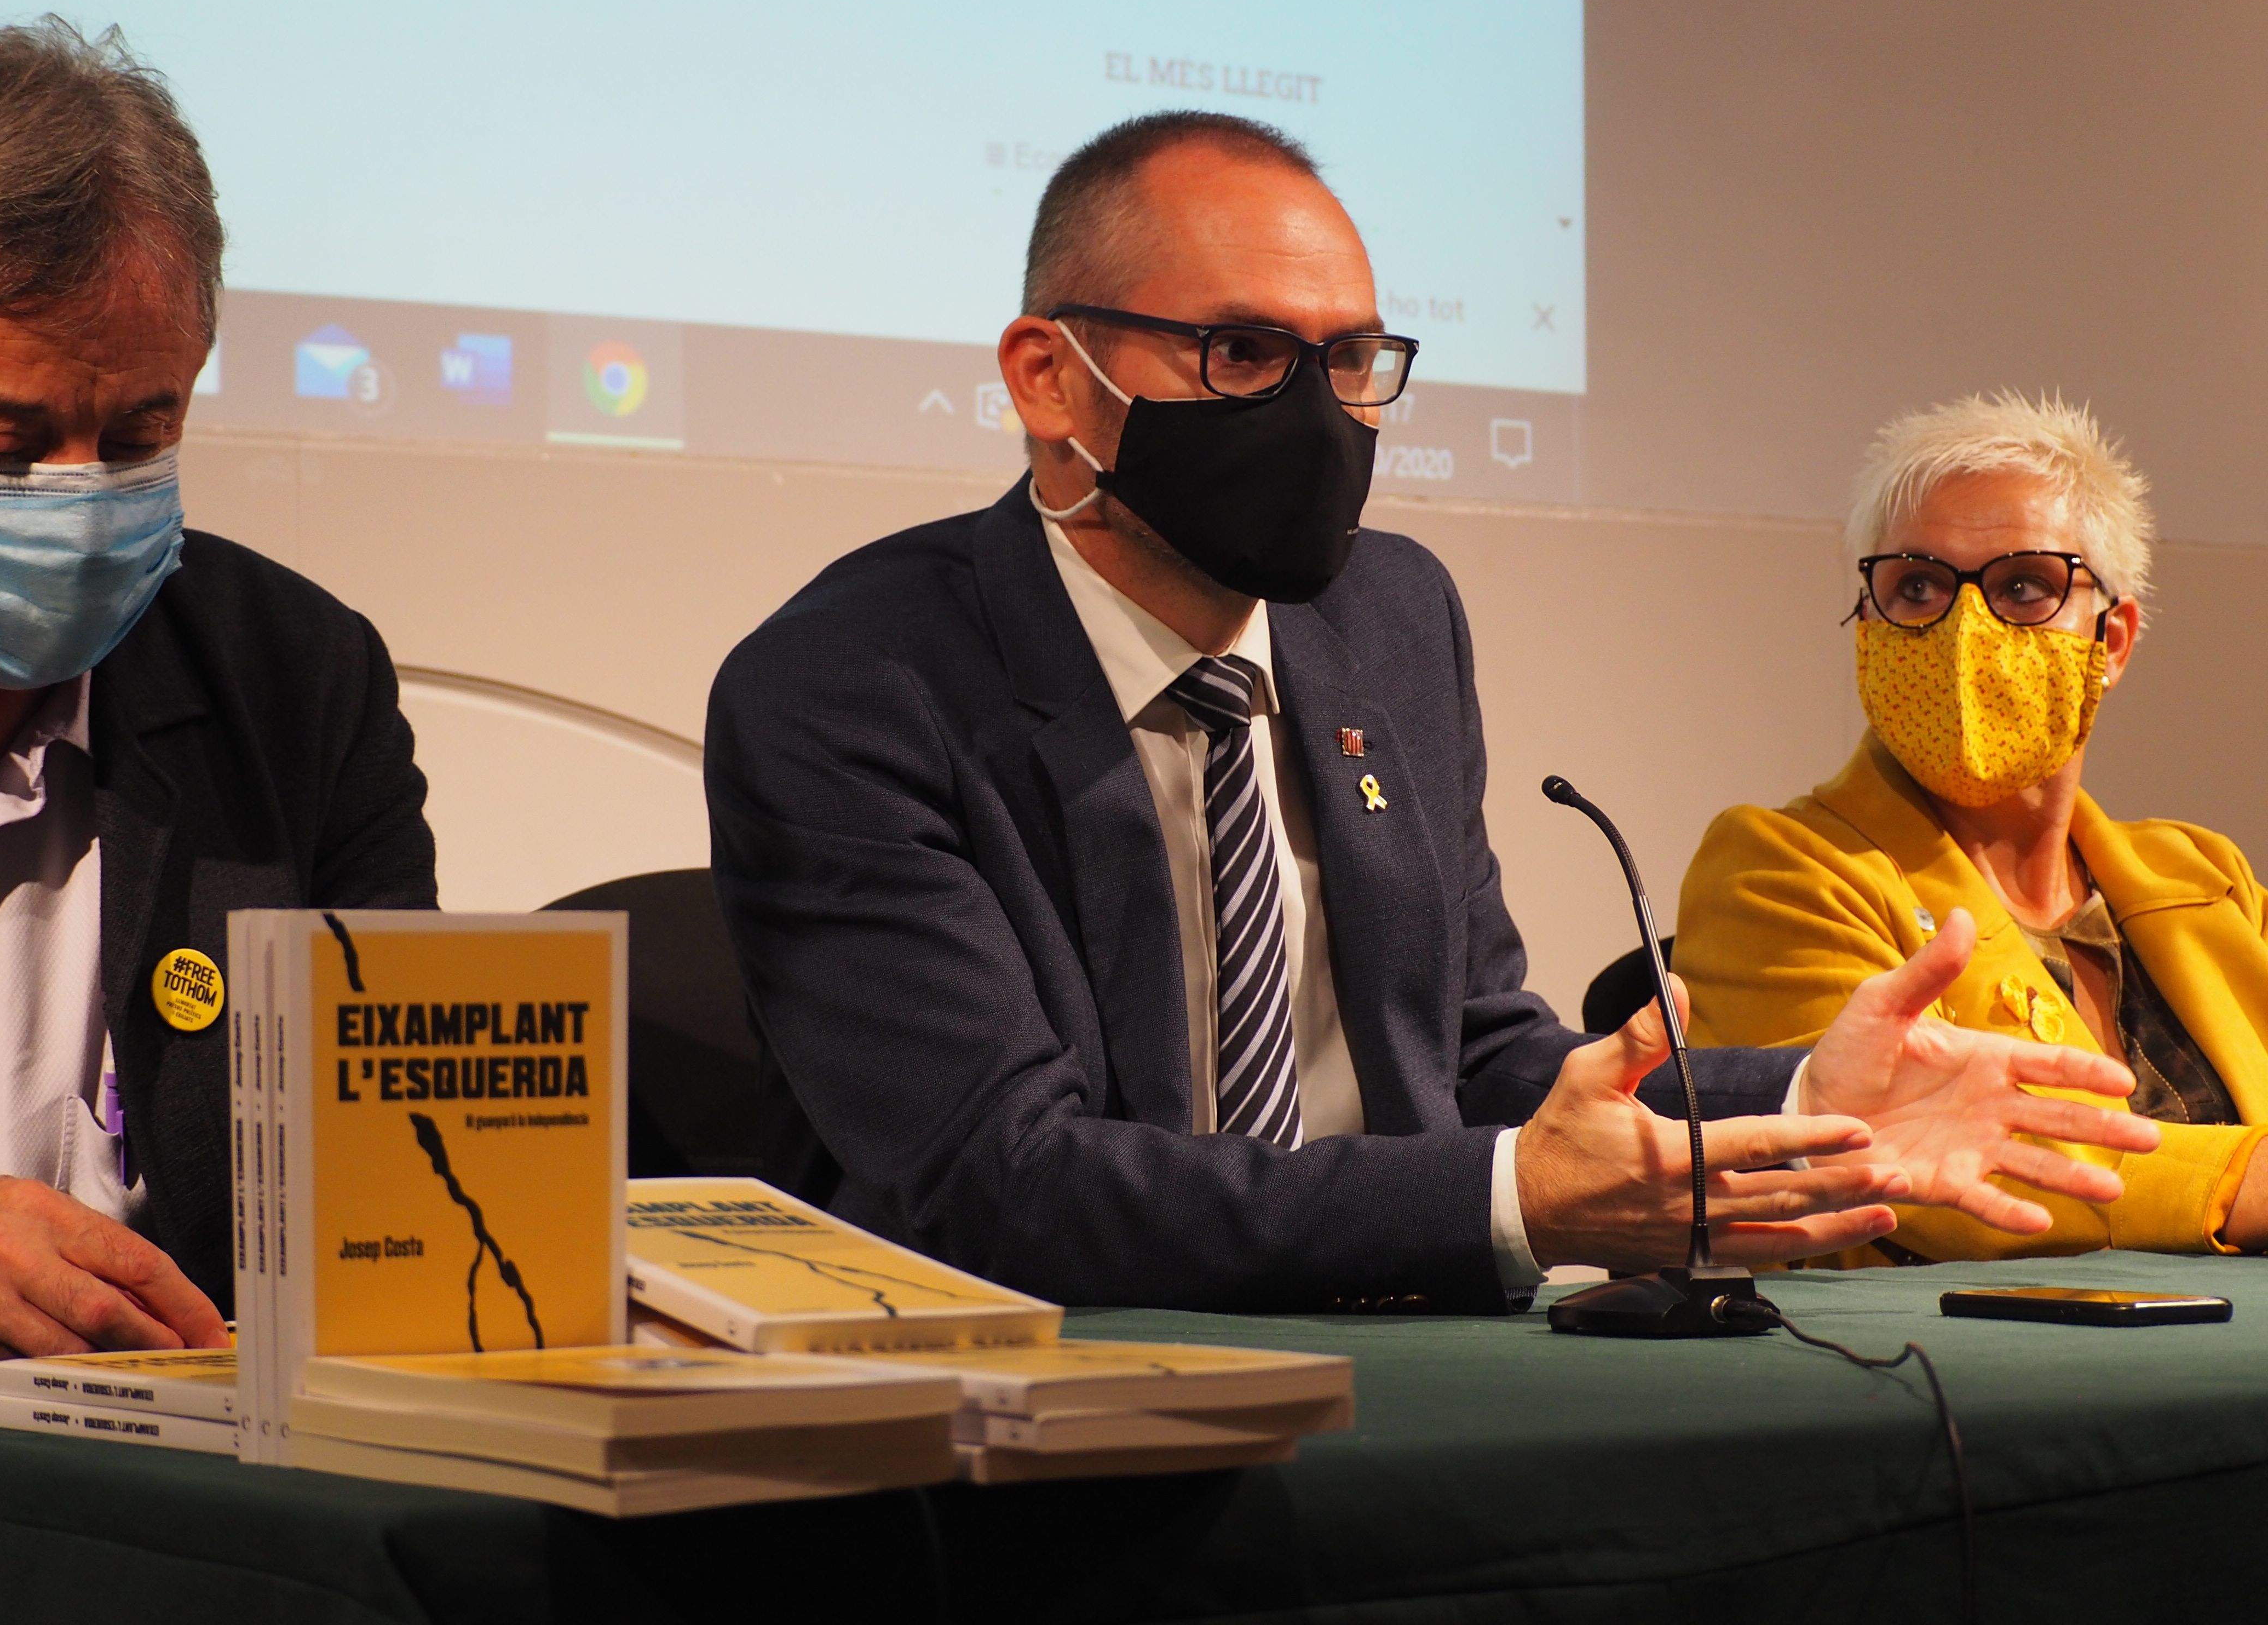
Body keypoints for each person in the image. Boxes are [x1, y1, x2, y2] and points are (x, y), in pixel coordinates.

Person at [703, 112, 2157, 1312]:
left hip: (1407, 1350)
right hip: (1049, 1398)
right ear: (1048, 379)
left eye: (1352, 362)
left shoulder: (1389, 619)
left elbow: (1474, 1056)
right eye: (1243, 355)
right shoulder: (852, 688)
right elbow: (1001, 1183)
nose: (1318, 415)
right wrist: (1507, 1199)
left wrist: (1796, 1101)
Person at [0, 20, 436, 1383]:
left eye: (138, 437)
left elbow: (391, 1171)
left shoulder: (300, 682)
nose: (77, 496)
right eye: (4, 447)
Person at [1679, 391, 2268, 1264]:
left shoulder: (2203, 874)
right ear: (1868, 622)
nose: (1964, 631)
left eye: (2024, 586)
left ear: (2112, 640)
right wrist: (2241, 1181)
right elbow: (1898, 1170)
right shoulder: (1776, 871)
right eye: (1916, 586)